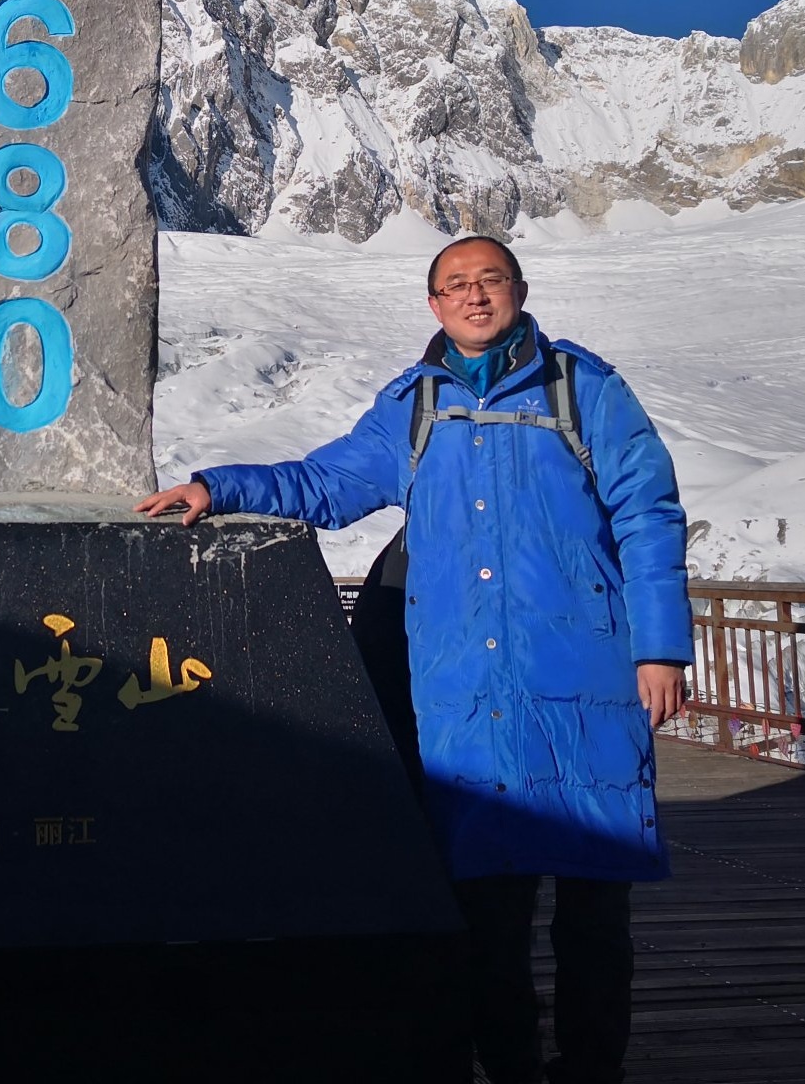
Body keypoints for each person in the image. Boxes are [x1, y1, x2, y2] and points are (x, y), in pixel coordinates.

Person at [136, 235, 691, 1084]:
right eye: (455, 286)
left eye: (489, 281)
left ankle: (592, 1073)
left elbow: (649, 516)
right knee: (488, 919)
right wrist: (220, 486)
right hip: (469, 694)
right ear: (433, 306)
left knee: (593, 919)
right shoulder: (415, 407)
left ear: (519, 289)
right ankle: (511, 1069)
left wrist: (659, 650)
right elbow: (325, 484)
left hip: (588, 685)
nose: (474, 297)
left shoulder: (585, 390)